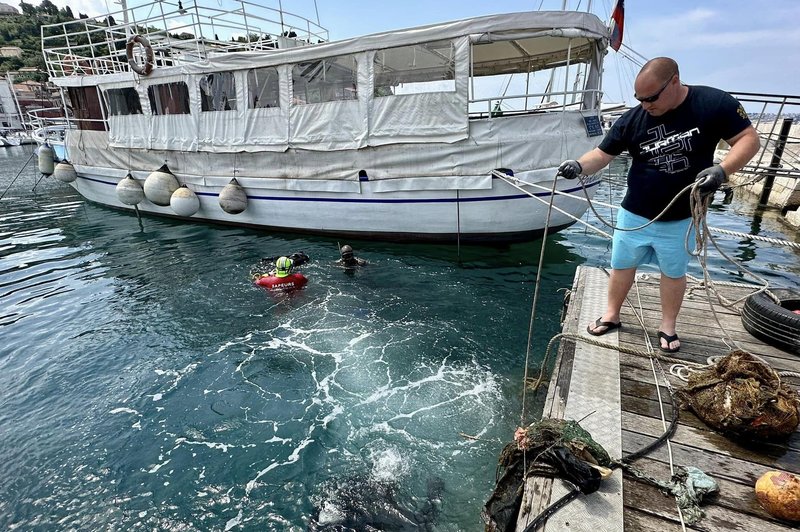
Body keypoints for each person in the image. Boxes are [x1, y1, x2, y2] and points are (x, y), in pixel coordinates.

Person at [557, 57, 760, 353]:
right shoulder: (633, 119)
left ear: (674, 81)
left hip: (681, 216)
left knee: (673, 271)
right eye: (640, 99)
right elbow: (601, 155)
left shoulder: (714, 103)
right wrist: (578, 165)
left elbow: (748, 139)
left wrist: (723, 170)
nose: (646, 104)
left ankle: (667, 326)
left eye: (651, 97)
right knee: (621, 266)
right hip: (634, 214)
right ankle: (612, 315)